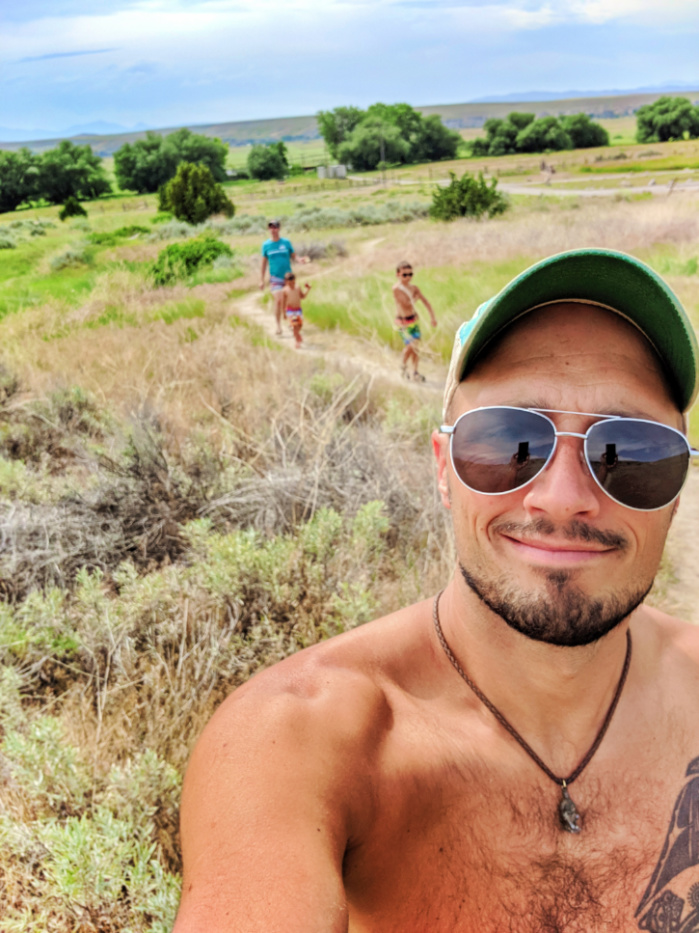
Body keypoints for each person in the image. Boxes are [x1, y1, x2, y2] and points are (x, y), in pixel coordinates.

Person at [173, 248, 699, 932]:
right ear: (443, 468)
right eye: (509, 441)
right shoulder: (304, 739)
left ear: (679, 488)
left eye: (627, 452)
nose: (563, 498)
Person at [260, 220, 308, 335]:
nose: (273, 229)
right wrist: (261, 280)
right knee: (279, 300)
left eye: (275, 227)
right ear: (269, 229)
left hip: (288, 278)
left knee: (290, 301)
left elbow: (293, 255)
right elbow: (263, 263)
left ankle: (291, 322)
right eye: (271, 227)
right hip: (275, 278)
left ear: (279, 228)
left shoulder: (286, 242)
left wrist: (299, 259)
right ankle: (278, 326)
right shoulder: (266, 245)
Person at [392, 260, 437, 382]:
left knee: (416, 348)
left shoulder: (414, 288)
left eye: (410, 274)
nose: (408, 277)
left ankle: (415, 372)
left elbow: (426, 302)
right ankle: (403, 365)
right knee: (410, 346)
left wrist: (432, 317)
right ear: (398, 275)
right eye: (404, 275)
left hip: (413, 321)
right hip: (402, 322)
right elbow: (406, 304)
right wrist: (416, 297)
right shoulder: (396, 289)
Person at [281, 271, 311, 348]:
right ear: (286, 282)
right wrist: (284, 313)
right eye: (289, 282)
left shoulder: (298, 288)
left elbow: (302, 296)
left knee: (300, 325)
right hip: (291, 311)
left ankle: (297, 334)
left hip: (298, 310)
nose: (292, 284)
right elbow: (283, 303)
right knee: (295, 326)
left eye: (293, 282)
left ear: (295, 280)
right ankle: (297, 341)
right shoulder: (285, 290)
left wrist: (307, 289)